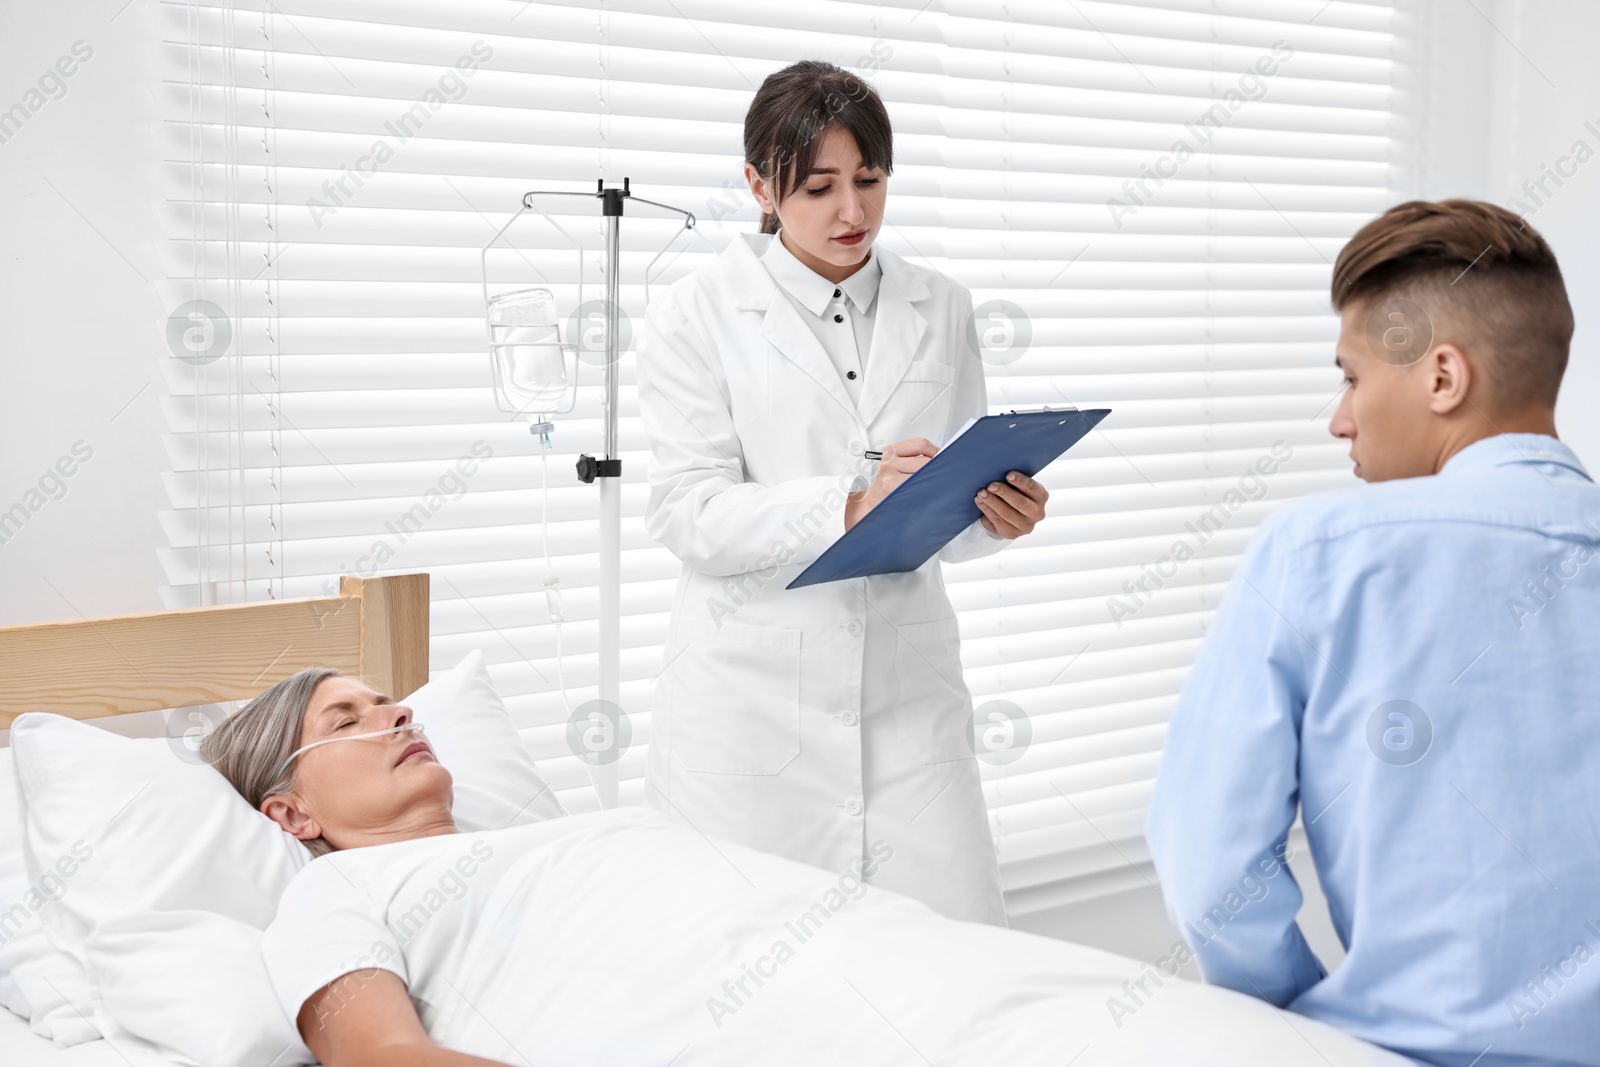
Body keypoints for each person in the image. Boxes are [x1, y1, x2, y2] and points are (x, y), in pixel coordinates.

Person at [205, 667, 1411, 1067]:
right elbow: (386, 1056)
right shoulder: (332, 893)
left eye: (398, 699)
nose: (400, 717)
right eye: (352, 717)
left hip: (898, 956)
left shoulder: (575, 829)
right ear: (289, 807)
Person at [1145, 199, 1600, 1066]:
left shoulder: (1318, 551)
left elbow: (1210, 866)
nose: (1339, 417)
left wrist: (1303, 1020)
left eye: (1351, 376)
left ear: (1441, 378)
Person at [636, 60, 1048, 925]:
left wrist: (995, 514)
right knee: (749, 983)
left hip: (909, 698)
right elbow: (686, 510)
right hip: (749, 707)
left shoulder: (943, 306)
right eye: (820, 186)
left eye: (870, 179)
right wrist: (849, 504)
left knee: (952, 964)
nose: (852, 212)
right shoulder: (696, 314)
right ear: (759, 184)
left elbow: (948, 501)